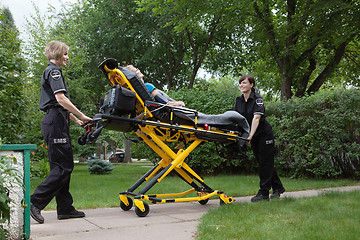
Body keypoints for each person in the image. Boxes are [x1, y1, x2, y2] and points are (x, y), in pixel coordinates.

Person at [30, 41, 92, 224]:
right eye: (65, 54)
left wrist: (75, 120)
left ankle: (65, 208)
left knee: (61, 166)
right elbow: (60, 98)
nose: (67, 57)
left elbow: (57, 104)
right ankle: (35, 202)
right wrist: (81, 113)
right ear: (57, 53)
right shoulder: (54, 71)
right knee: (64, 167)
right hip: (55, 122)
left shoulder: (52, 71)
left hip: (57, 120)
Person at [234, 75, 285, 202]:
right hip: (253, 135)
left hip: (264, 134)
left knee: (266, 163)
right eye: (240, 83)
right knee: (263, 163)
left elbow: (256, 118)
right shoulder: (238, 100)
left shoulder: (258, 100)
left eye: (244, 83)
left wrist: (250, 135)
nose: (241, 85)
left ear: (251, 85)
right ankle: (278, 187)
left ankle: (264, 193)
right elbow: (238, 119)